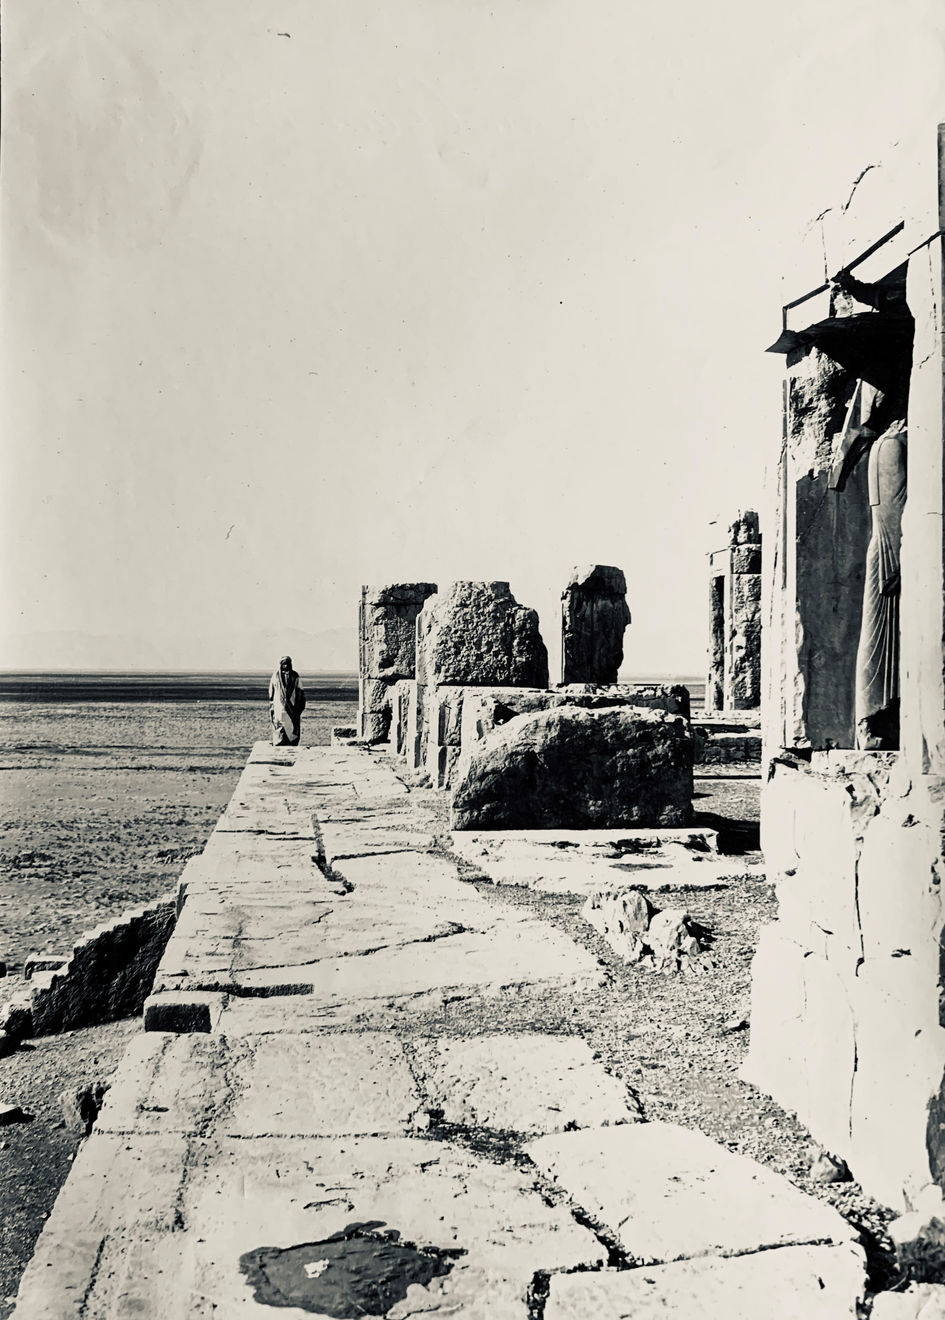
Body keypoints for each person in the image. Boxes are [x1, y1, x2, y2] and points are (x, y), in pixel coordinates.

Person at [269, 656, 306, 746]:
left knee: (291, 727)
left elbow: (300, 692)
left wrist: (299, 706)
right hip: (278, 708)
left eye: (288, 663)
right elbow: (271, 692)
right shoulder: (275, 676)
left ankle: (292, 742)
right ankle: (279, 742)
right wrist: (272, 704)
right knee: (279, 726)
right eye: (284, 663)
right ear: (281, 664)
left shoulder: (295, 676)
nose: (286, 665)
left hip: (292, 709)